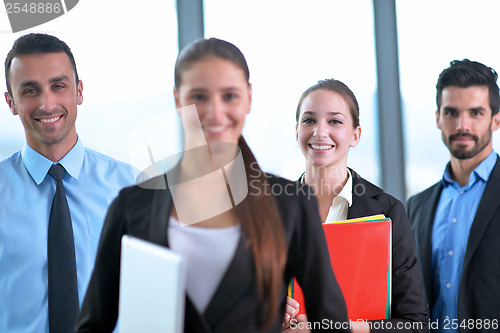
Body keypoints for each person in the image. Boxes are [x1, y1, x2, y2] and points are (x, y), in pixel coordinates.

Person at [74, 38, 349, 333]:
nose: (215, 112)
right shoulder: (132, 206)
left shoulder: (290, 204)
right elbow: (94, 325)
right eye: (199, 97)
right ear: (178, 99)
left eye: (229, 96)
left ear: (248, 98)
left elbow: (332, 323)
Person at [0, 33, 135, 333]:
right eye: (30, 90)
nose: (47, 104)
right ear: (11, 101)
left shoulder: (131, 188)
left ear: (79, 92)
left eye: (58, 86)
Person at [286, 79, 427, 333]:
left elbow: (414, 324)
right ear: (297, 131)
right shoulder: (270, 213)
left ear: (355, 135)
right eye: (309, 120)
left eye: (335, 121)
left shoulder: (387, 212)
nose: (319, 131)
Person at [407, 59, 500, 332]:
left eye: (475, 113)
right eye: (451, 113)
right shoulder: (417, 206)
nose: (462, 125)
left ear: (496, 119)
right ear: (438, 118)